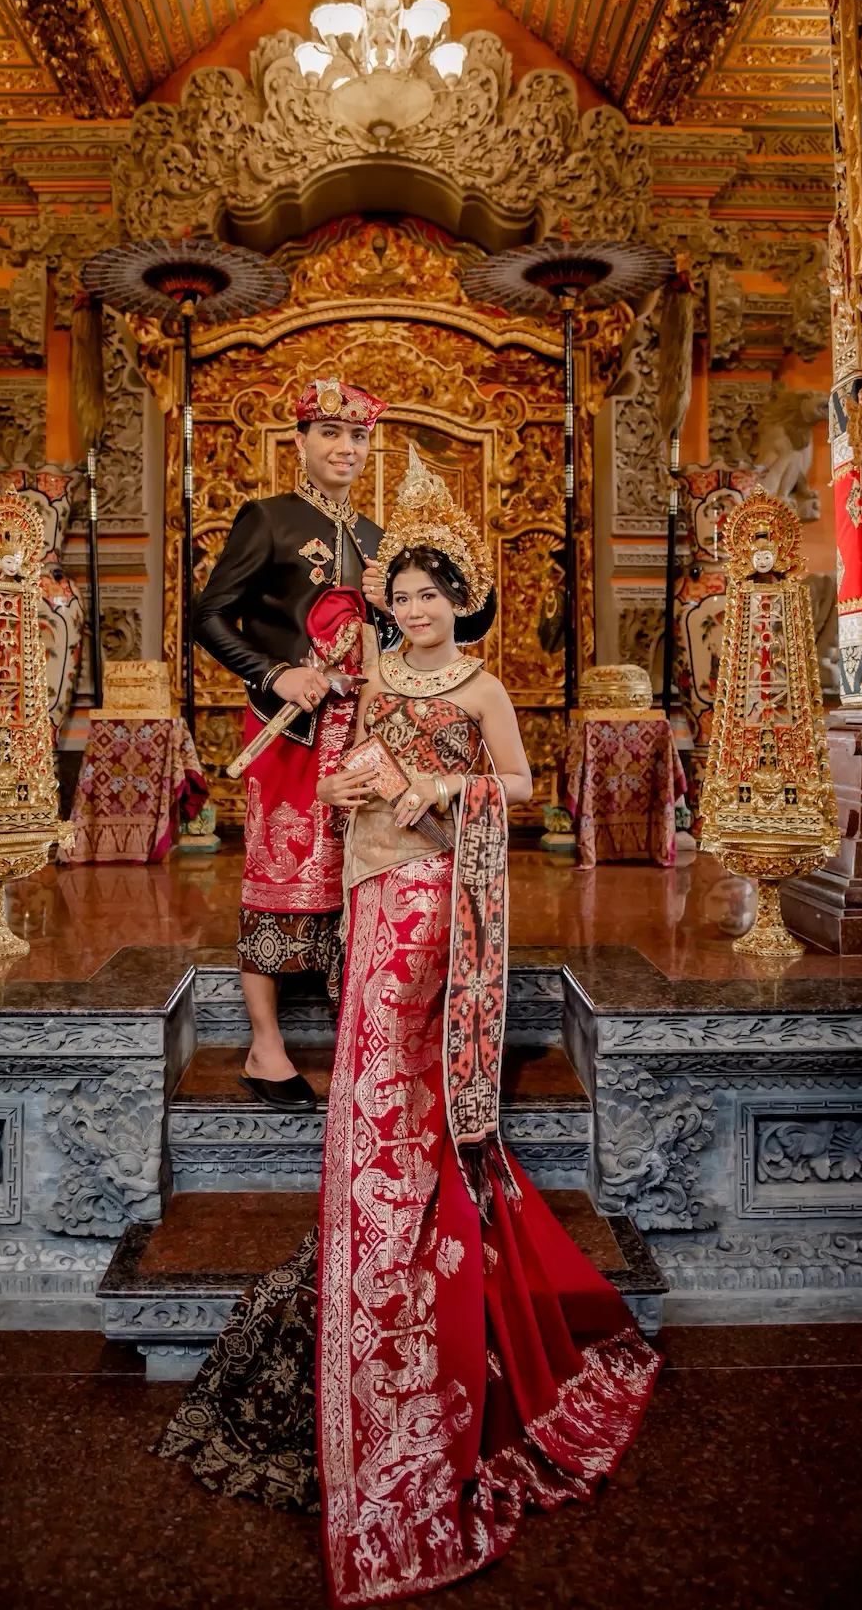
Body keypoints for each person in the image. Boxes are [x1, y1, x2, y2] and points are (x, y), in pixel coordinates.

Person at [162, 450, 660, 1605]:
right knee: (372, 1048)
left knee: (388, 1048)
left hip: (438, 895)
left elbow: (521, 784)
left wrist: (445, 790)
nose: (417, 608)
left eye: (433, 592)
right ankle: (391, 1199)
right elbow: (339, 763)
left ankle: (392, 1214)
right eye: (403, 593)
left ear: (460, 599)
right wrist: (346, 786)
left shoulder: (481, 687)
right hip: (369, 887)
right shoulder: (374, 676)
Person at [193, 376, 391, 1109]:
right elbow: (208, 617)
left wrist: (387, 613)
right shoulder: (268, 519)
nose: (345, 448)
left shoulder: (376, 539)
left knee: (357, 873)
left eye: (358, 436)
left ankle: (357, 1031)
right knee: (279, 873)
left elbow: (390, 641)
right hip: (289, 730)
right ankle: (265, 1045)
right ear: (301, 440)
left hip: (362, 729)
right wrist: (275, 673)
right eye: (330, 433)